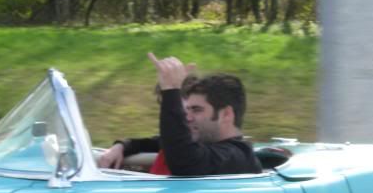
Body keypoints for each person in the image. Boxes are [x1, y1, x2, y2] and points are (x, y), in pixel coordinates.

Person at [99, 53, 261, 176]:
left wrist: (171, 90)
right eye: (186, 110)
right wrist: (121, 146)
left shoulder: (237, 157)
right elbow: (154, 142)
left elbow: (184, 160)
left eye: (196, 110)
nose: (187, 118)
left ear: (226, 114)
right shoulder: (202, 143)